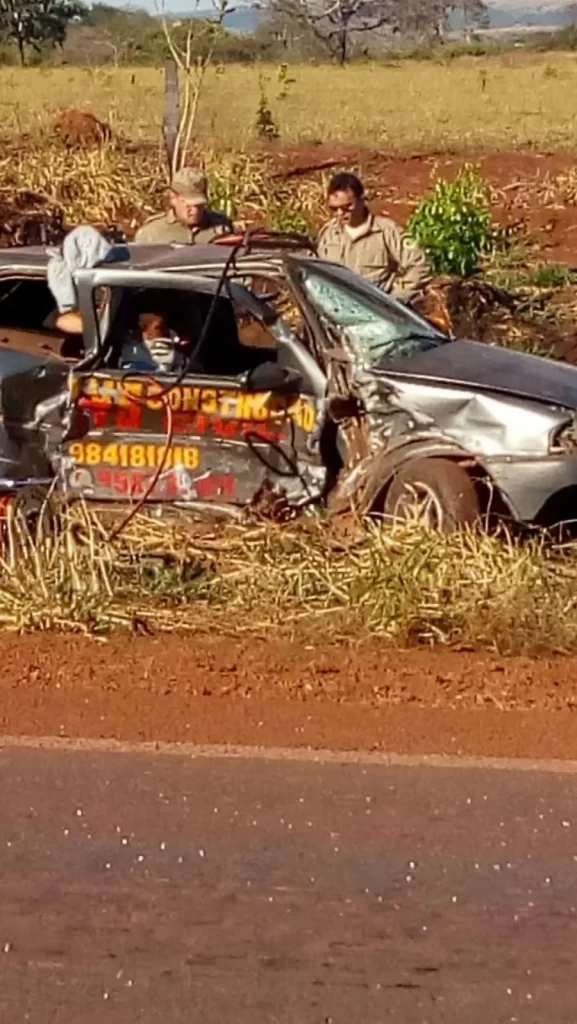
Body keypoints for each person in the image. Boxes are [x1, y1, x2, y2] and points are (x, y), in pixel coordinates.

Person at [317, 171, 431, 304]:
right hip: (338, 313)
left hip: (378, 314)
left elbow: (420, 265)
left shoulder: (387, 231)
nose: (340, 213)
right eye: (334, 209)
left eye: (347, 206)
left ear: (362, 200)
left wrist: (396, 299)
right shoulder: (328, 234)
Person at [134, 167, 233, 245]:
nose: (195, 211)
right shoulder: (151, 234)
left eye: (199, 205)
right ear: (173, 198)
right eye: (188, 205)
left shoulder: (222, 226)